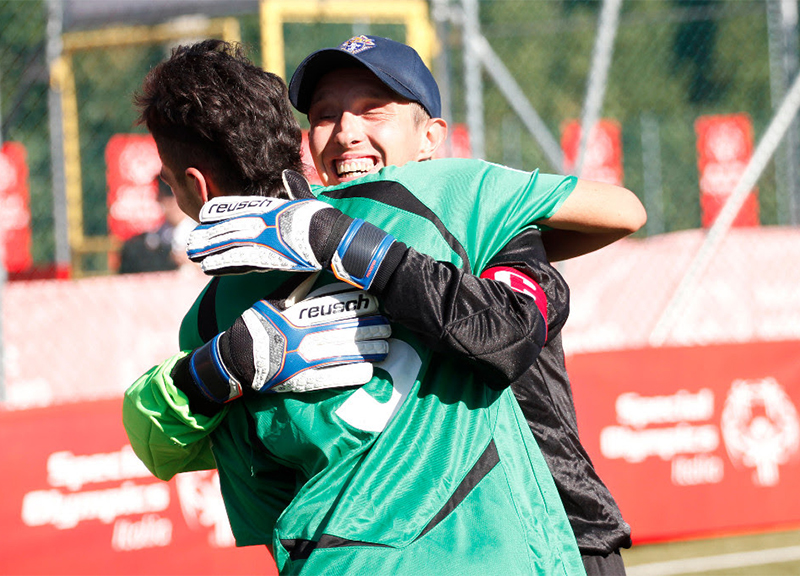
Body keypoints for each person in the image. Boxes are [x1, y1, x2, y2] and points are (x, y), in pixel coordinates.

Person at [123, 40, 588, 575]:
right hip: (514, 549)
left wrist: (348, 246)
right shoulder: (464, 200)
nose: (346, 131)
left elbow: (253, 498)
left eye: (373, 111)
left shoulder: (469, 209)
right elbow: (621, 211)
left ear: (432, 137)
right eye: (324, 115)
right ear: (300, 142)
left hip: (554, 527)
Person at [118, 179, 195, 273]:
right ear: (159, 198)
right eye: (169, 195)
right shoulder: (144, 244)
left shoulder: (207, 234)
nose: (174, 202)